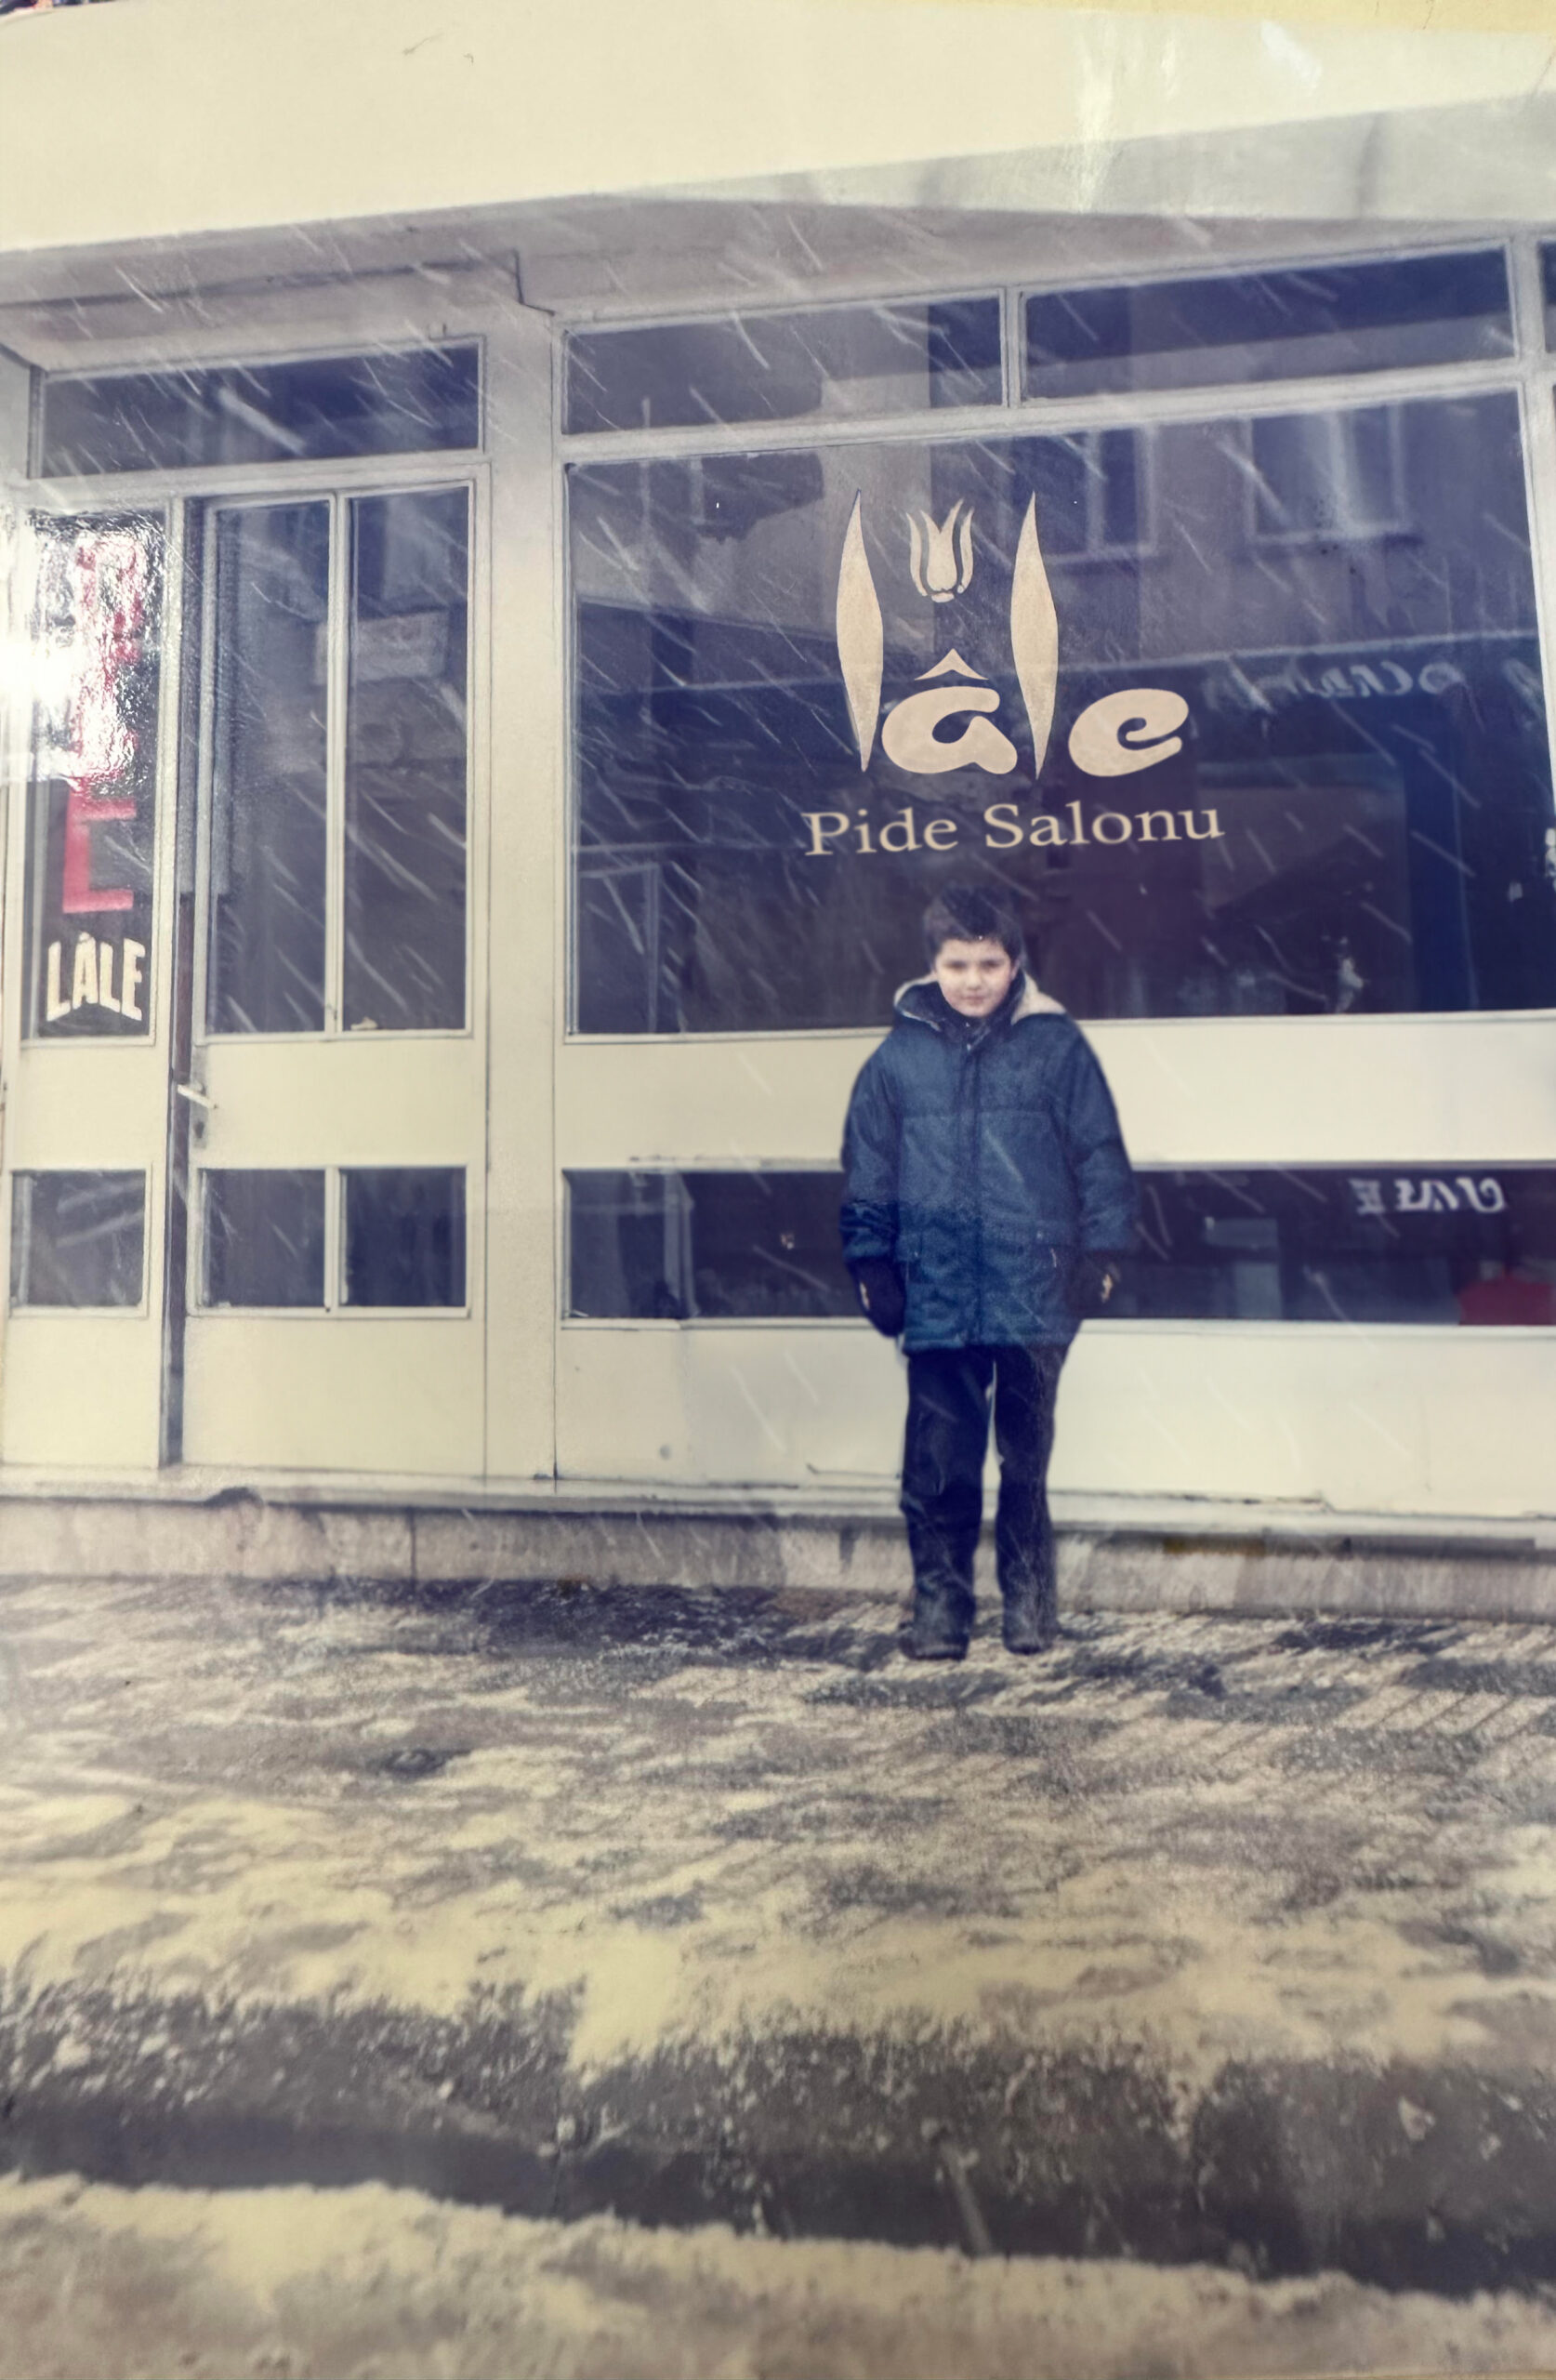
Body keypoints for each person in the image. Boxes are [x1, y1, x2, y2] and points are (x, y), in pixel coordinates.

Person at [840, 884, 1137, 1661]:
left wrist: (1102, 1254)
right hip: (937, 1290)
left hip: (1034, 1288)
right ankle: (941, 1612)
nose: (973, 981)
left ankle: (1030, 1607)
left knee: (1026, 1463)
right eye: (957, 965)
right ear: (932, 966)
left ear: (1015, 964)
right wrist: (871, 1262)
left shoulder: (1056, 1049)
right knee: (939, 1465)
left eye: (989, 964)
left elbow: (1098, 1155)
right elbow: (869, 1173)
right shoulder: (897, 1060)